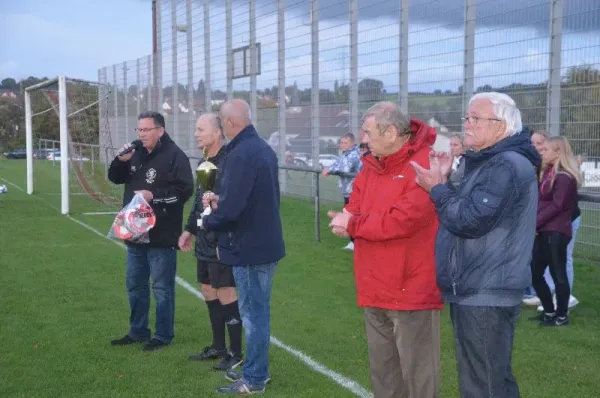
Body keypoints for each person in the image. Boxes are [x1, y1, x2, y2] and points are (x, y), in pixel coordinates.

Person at [411, 92, 540, 397]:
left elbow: (470, 220)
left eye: (476, 119)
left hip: (486, 289)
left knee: (483, 386)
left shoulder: (504, 165)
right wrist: (446, 181)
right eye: (467, 118)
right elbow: (471, 208)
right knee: (493, 380)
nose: (467, 125)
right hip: (480, 288)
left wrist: (438, 189)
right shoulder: (490, 162)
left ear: (502, 125)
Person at [328, 102, 443, 398]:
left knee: (418, 378)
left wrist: (352, 224)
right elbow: (354, 206)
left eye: (367, 132)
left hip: (411, 290)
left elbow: (402, 220)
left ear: (391, 132)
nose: (363, 139)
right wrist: (348, 220)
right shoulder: (370, 166)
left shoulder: (424, 165)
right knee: (384, 375)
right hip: (373, 286)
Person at [200, 99, 285, 395]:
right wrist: (221, 203)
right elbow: (250, 200)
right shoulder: (261, 148)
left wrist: (209, 219)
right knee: (258, 312)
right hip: (264, 244)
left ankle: (255, 379)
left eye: (222, 123)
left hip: (249, 247)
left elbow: (232, 210)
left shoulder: (241, 154)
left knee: (254, 315)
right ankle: (257, 372)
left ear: (230, 123)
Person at [108, 111, 194, 351]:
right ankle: (138, 330)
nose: (141, 134)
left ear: (160, 131)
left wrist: (153, 196)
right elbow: (114, 178)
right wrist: (120, 161)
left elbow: (185, 191)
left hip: (162, 235)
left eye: (146, 130)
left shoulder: (175, 156)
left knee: (162, 288)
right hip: (134, 231)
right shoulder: (134, 153)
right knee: (135, 284)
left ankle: (163, 335)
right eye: (139, 130)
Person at [178, 113, 243, 370]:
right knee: (207, 288)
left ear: (217, 133)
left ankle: (235, 353)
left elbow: (230, 204)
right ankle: (218, 346)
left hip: (222, 239)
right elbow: (199, 201)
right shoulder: (206, 162)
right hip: (204, 236)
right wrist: (189, 230)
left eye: (200, 129)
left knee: (226, 291)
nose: (196, 134)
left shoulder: (229, 162)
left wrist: (219, 233)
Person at [523, 129, 580, 310]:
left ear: (558, 152)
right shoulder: (547, 173)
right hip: (545, 229)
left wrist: (535, 222)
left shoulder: (563, 177)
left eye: (546, 149)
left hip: (556, 231)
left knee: (558, 272)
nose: (542, 152)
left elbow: (557, 205)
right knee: (536, 272)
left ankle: (560, 314)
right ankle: (549, 311)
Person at [321, 133, 362, 251]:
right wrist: (328, 168)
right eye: (341, 142)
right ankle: (353, 242)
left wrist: (331, 170)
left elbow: (345, 168)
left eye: (345, 143)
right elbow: (338, 163)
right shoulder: (345, 154)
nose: (342, 145)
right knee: (349, 216)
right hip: (348, 192)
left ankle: (355, 242)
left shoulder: (354, 155)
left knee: (352, 217)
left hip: (355, 193)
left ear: (352, 143)